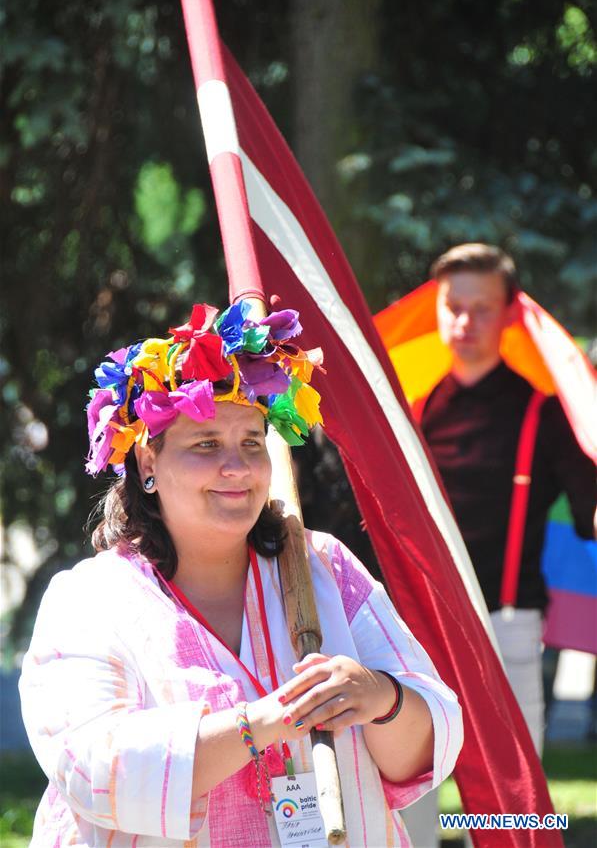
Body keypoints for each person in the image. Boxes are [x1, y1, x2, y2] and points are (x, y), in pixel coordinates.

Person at [19, 298, 463, 847]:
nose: (237, 468)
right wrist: (261, 723)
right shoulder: (89, 600)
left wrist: (380, 697)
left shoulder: (323, 566)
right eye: (206, 445)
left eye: (251, 443)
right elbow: (94, 767)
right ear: (148, 464)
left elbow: (430, 742)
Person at [417, 243, 596, 755]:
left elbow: (590, 509)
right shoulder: (413, 408)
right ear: (436, 307)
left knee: (514, 807)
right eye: (454, 306)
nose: (465, 321)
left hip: (510, 620)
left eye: (482, 308)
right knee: (412, 799)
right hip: (420, 619)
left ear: (509, 313)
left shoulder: (546, 414)